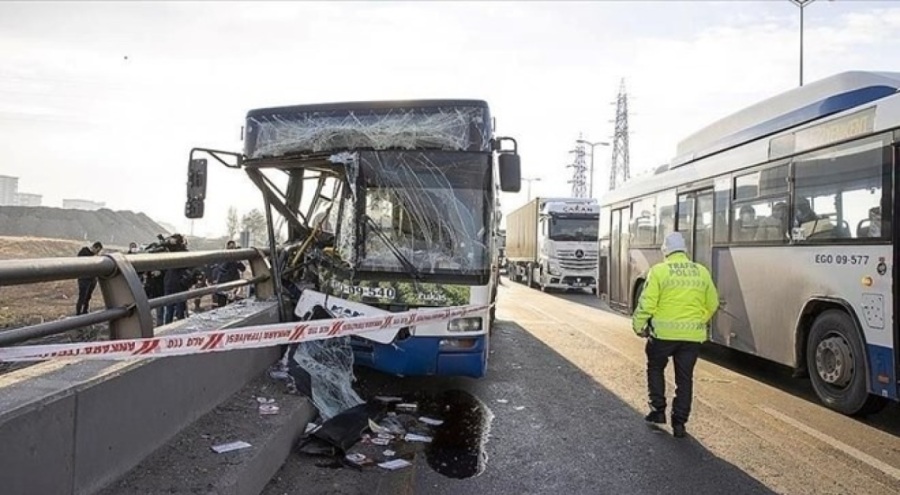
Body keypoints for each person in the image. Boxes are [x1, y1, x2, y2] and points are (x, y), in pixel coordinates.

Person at [632, 232, 719, 438]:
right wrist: (699, 320)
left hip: (663, 336)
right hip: (691, 339)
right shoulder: (701, 272)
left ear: (665, 250)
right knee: (684, 379)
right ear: (685, 250)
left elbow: (647, 303)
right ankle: (679, 424)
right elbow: (713, 303)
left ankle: (658, 410)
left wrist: (638, 325)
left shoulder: (659, 271)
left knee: (655, 368)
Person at [212, 240, 246, 307]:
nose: (232, 249)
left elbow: (243, 269)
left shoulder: (236, 259)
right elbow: (222, 268)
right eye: (230, 248)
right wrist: (231, 257)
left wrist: (237, 259)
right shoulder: (223, 256)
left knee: (232, 305)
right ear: (227, 248)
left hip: (233, 285)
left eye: (233, 247)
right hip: (223, 284)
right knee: (221, 305)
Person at [76, 241, 103, 315]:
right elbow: (79, 261)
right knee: (82, 296)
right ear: (95, 247)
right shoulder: (84, 252)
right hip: (84, 278)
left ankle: (85, 311)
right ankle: (78, 313)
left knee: (88, 297)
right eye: (97, 250)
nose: (97, 252)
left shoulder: (95, 256)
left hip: (92, 279)